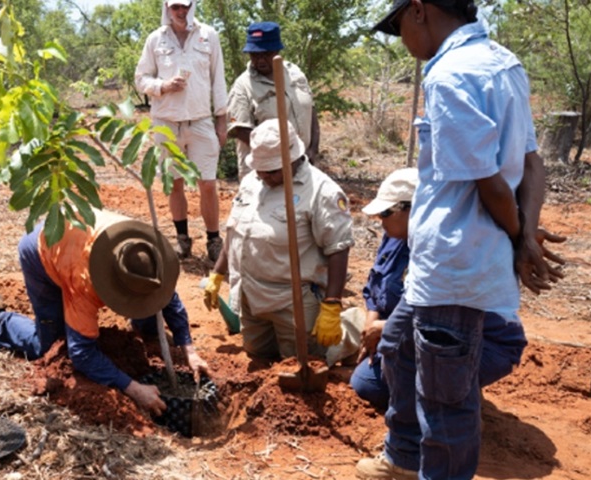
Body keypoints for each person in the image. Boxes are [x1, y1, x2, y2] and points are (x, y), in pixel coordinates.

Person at [358, 1, 558, 478]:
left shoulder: (449, 75)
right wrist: (526, 229)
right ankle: (403, 458)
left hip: (456, 265)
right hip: (440, 272)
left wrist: (519, 239)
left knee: (445, 404)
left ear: (420, 11)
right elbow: (531, 163)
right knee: (398, 348)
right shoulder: (504, 64)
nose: (402, 40)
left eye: (398, 25)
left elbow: (488, 182)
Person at [0, 209, 211, 416]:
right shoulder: (86, 282)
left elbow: (167, 297)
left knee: (147, 298)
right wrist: (133, 388)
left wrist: (189, 350)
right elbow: (81, 353)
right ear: (113, 286)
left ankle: (146, 330)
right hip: (43, 252)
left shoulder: (143, 253)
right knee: (54, 348)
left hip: (76, 236)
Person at [350, 168, 531, 412]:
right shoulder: (393, 240)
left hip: (471, 338)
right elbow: (376, 285)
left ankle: (455, 396)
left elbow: (442, 312)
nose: (380, 221)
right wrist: (371, 328)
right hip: (410, 332)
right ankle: (446, 386)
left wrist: (383, 329)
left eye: (385, 212)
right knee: (366, 382)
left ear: (413, 208)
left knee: (405, 388)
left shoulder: (448, 249)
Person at [204, 120, 359, 364]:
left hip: (292, 297)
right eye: (259, 169)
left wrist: (332, 305)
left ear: (293, 159)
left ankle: (351, 331)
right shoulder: (251, 182)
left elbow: (338, 248)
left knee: (303, 362)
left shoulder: (322, 192)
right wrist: (217, 275)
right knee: (259, 356)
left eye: (271, 171)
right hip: (251, 292)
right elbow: (236, 232)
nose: (263, 176)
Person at [134, 0, 228, 263]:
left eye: (185, 6)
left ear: (192, 6)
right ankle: (183, 239)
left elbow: (218, 79)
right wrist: (163, 85)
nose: (180, 11)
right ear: (166, 7)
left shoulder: (208, 36)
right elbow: (141, 78)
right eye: (175, 6)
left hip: (201, 121)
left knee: (207, 184)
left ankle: (213, 240)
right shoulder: (156, 40)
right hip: (166, 122)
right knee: (174, 183)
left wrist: (222, 120)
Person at [227, 21, 319, 179]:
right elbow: (240, 130)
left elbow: (311, 113)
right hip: (265, 173)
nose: (261, 60)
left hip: (303, 165)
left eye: (266, 54)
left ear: (277, 50)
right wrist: (282, 157)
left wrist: (312, 151)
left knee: (302, 203)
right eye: (255, 54)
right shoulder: (243, 86)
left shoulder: (295, 74)